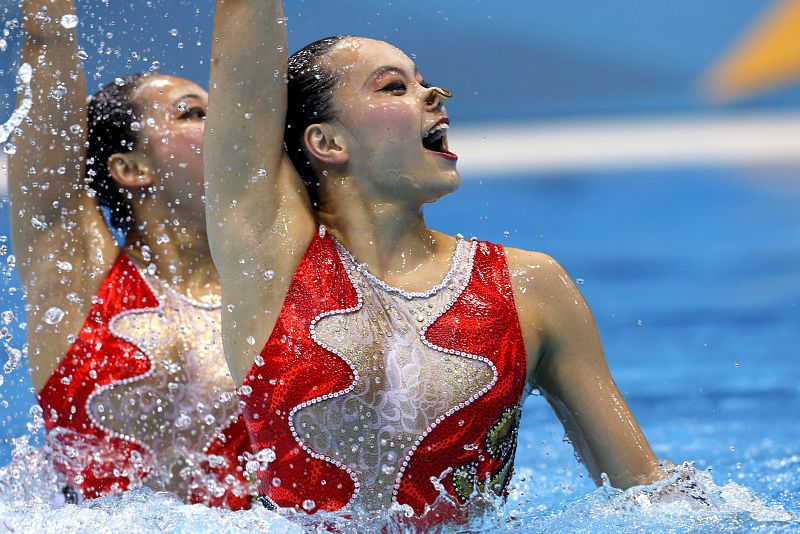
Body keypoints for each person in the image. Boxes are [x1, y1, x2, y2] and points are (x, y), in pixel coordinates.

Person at [206, 0, 664, 519]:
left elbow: (642, 491)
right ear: (327, 142)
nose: (435, 94)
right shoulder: (272, 259)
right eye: (393, 86)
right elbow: (245, 27)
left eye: (423, 80)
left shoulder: (530, 286)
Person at [8, 0, 249, 508]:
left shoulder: (270, 289)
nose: (226, 125)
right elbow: (49, 41)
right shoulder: (76, 273)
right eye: (194, 113)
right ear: (132, 167)